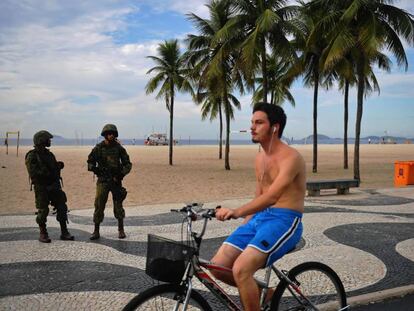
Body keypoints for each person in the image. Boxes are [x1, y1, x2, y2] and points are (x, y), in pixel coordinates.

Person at [212, 103, 306, 311]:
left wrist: (236, 212)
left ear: (275, 127)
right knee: (217, 266)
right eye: (252, 122)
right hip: (259, 219)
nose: (253, 127)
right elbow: (260, 193)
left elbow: (272, 196)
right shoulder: (260, 157)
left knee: (241, 269)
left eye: (259, 122)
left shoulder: (291, 158)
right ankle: (267, 293)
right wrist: (246, 223)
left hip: (285, 220)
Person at [25, 130, 74, 243]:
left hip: (54, 185)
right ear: (41, 140)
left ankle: (64, 232)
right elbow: (34, 173)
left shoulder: (49, 154)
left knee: (62, 207)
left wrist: (58, 166)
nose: (50, 141)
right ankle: (43, 233)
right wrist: (49, 173)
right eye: (48, 139)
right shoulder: (32, 156)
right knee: (43, 210)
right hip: (41, 187)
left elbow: (54, 169)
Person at [87, 124, 132, 240]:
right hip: (103, 181)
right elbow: (90, 161)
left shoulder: (119, 148)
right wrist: (95, 169)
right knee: (99, 205)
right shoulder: (98, 148)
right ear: (105, 135)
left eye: (112, 133)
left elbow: (128, 164)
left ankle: (121, 229)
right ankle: (96, 230)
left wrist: (121, 174)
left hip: (116, 181)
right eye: (108, 133)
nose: (111, 135)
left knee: (118, 205)